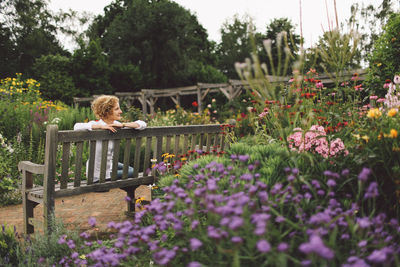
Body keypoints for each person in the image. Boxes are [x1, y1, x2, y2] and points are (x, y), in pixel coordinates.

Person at [74, 95, 146, 183]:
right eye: (117, 109)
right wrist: (100, 126)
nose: (121, 111)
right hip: (99, 175)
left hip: (109, 165)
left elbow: (142, 124)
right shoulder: (95, 124)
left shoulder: (116, 124)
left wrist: (123, 125)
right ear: (107, 111)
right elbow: (76, 126)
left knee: (129, 169)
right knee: (132, 172)